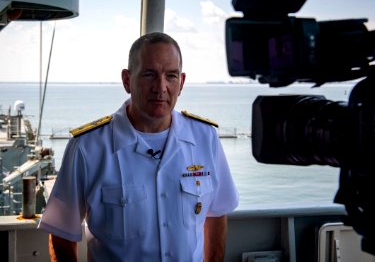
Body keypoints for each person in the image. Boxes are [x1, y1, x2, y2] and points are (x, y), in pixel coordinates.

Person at [38, 32, 239, 262]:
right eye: (149, 74)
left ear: (181, 83)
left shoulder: (206, 138)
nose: (160, 87)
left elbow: (215, 214)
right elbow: (62, 233)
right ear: (127, 80)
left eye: (170, 76)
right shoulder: (87, 147)